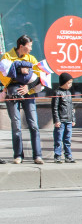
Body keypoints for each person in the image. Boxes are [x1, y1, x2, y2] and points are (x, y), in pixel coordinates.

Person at [1, 36, 44, 164]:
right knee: (16, 124)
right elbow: (3, 74)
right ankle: (18, 155)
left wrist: (28, 87)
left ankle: (37, 155)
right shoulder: (7, 56)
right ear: (21, 45)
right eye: (29, 45)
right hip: (12, 92)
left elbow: (40, 75)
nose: (31, 48)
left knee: (34, 124)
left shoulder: (31, 59)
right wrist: (20, 70)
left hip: (28, 93)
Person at [51, 72, 75, 164]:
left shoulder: (69, 93)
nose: (70, 85)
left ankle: (68, 156)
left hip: (68, 120)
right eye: (69, 83)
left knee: (67, 139)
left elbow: (71, 107)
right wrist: (56, 120)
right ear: (63, 82)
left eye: (71, 82)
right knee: (58, 139)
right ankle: (57, 156)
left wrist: (73, 119)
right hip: (61, 121)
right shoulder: (57, 93)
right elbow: (55, 108)